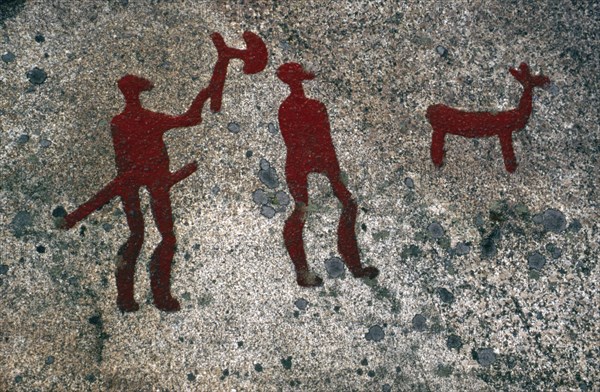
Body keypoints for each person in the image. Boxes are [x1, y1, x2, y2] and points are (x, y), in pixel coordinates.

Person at [61, 32, 267, 312]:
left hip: (137, 178)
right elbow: (191, 119)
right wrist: (203, 95)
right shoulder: (148, 119)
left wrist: (129, 181)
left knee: (137, 235)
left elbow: (122, 158)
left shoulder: (120, 121)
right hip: (152, 179)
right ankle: (158, 295)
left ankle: (128, 297)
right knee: (164, 236)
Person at [277, 62, 379, 287]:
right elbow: (325, 143)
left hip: (298, 161)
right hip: (316, 159)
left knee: (302, 210)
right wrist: (334, 175)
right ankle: (353, 266)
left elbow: (296, 144)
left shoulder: (286, 108)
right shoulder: (315, 106)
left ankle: (304, 271)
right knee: (344, 205)